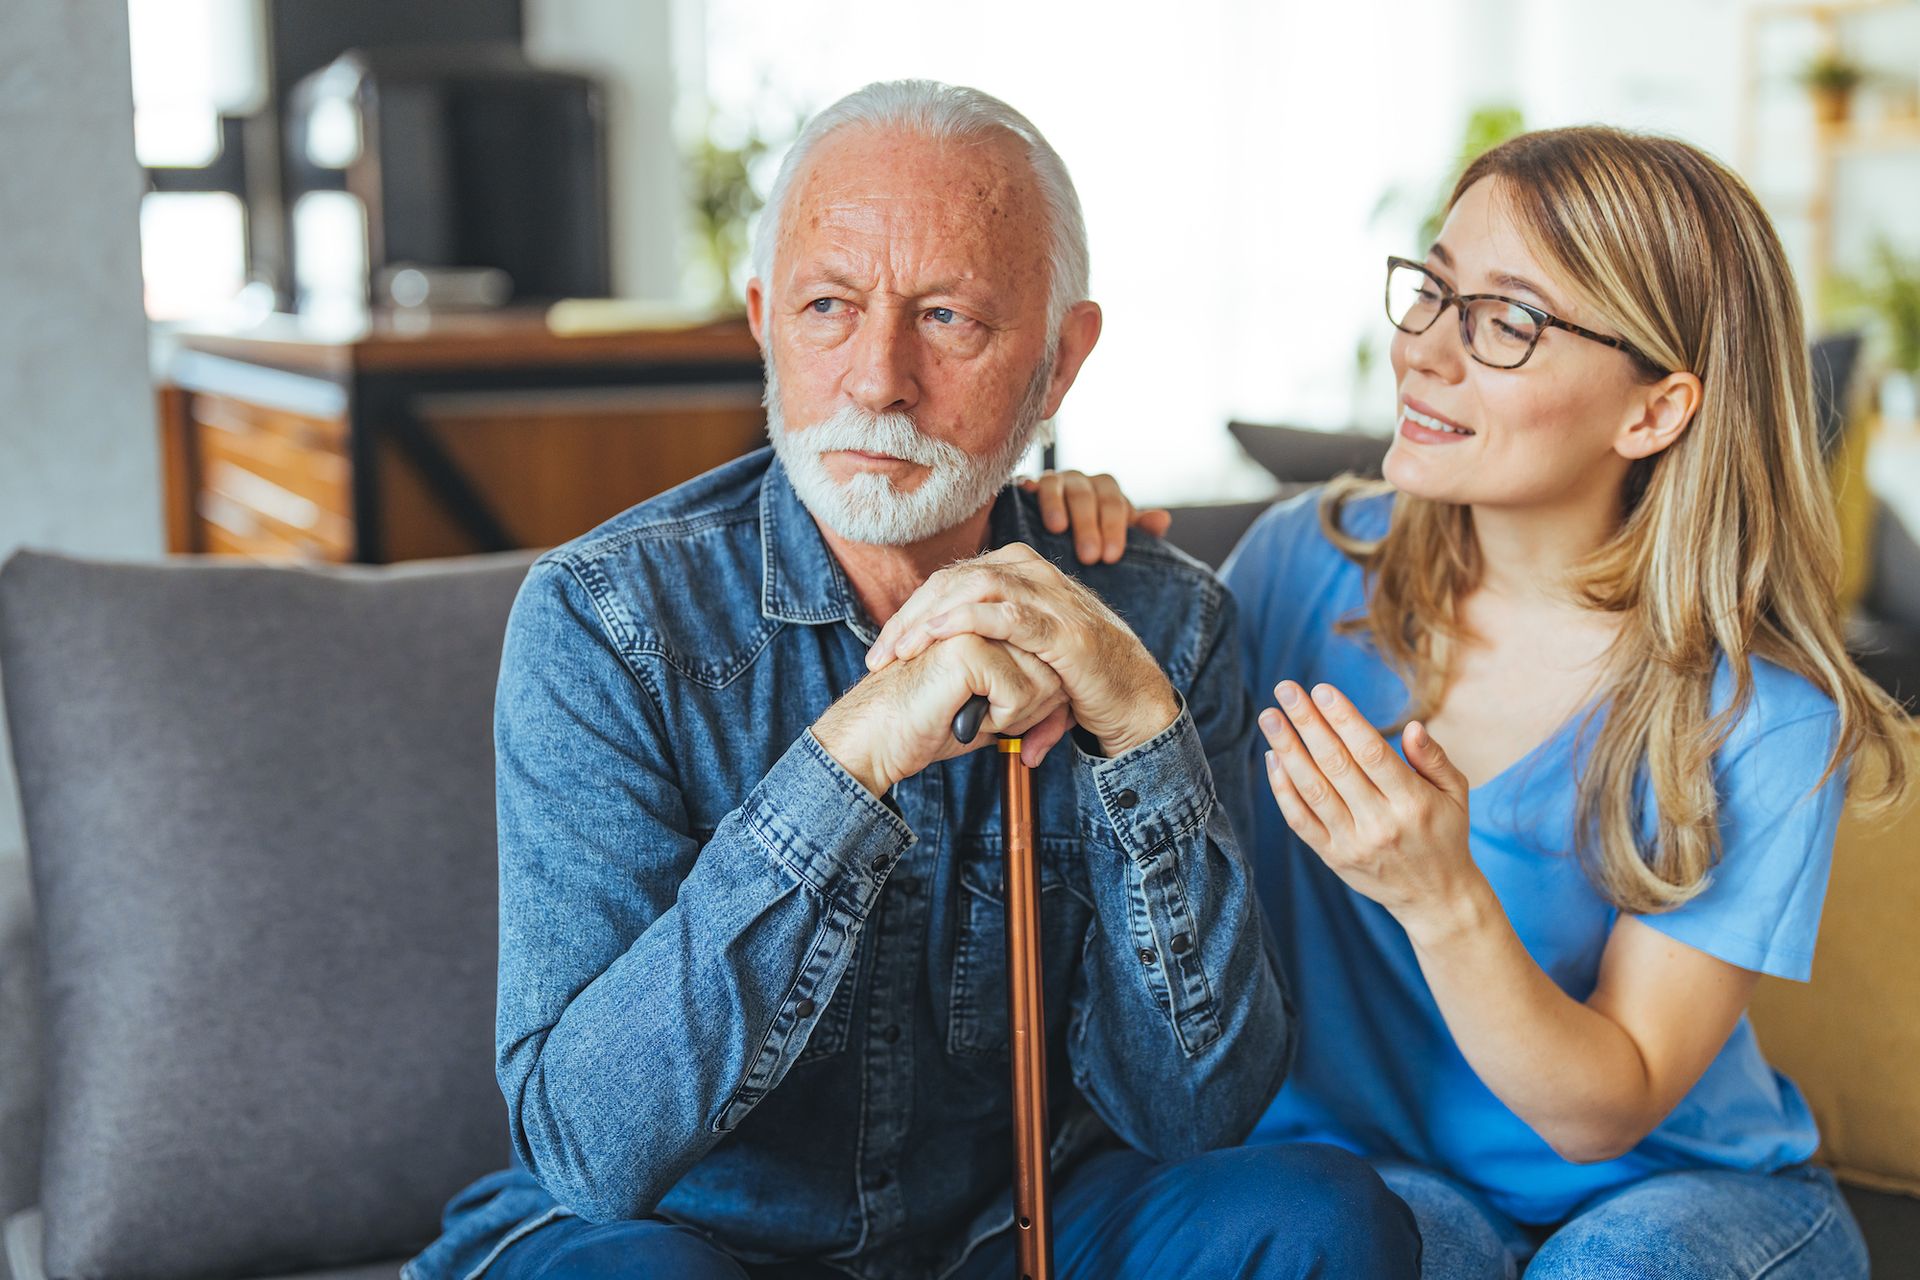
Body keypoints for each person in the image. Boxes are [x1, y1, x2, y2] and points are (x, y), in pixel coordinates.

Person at [403, 80, 1419, 1280]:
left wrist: (1137, 723)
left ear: (1058, 362)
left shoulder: (1158, 618)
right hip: (678, 1238)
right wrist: (850, 763)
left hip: (1014, 1232)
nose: (878, 379)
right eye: (829, 306)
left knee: (1323, 1218)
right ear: (763, 318)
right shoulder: (605, 616)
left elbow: (1195, 1115)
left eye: (948, 318)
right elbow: (588, 1147)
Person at [885, 125, 1910, 1278]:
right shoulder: (1297, 567)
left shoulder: (1761, 713)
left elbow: (1604, 1110)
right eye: (1434, 290)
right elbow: (1124, 760)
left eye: (1507, 321)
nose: (1424, 350)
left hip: (1676, 1184)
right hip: (1375, 1170)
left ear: (1656, 411)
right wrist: (1059, 528)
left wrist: (1444, 897)